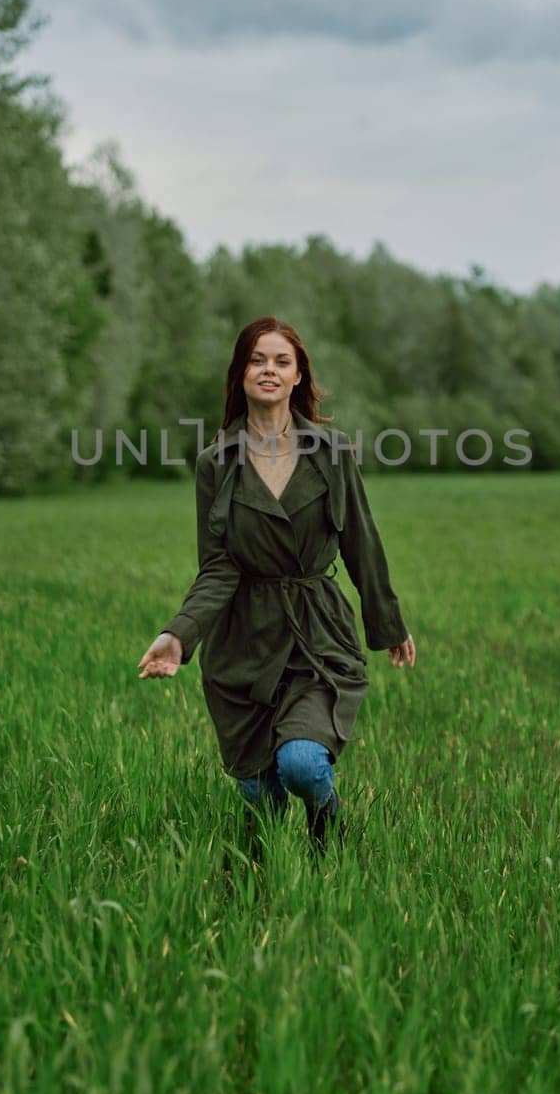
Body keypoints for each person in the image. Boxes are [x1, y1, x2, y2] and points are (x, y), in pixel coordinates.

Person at [138, 316, 416, 861]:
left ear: (297, 377)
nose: (269, 370)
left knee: (303, 766)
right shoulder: (216, 463)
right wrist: (179, 636)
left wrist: (387, 625)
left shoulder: (332, 452)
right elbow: (217, 567)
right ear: (241, 374)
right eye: (257, 360)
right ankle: (255, 877)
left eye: (281, 361)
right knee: (260, 793)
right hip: (245, 640)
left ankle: (326, 820)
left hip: (317, 631)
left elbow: (362, 541)